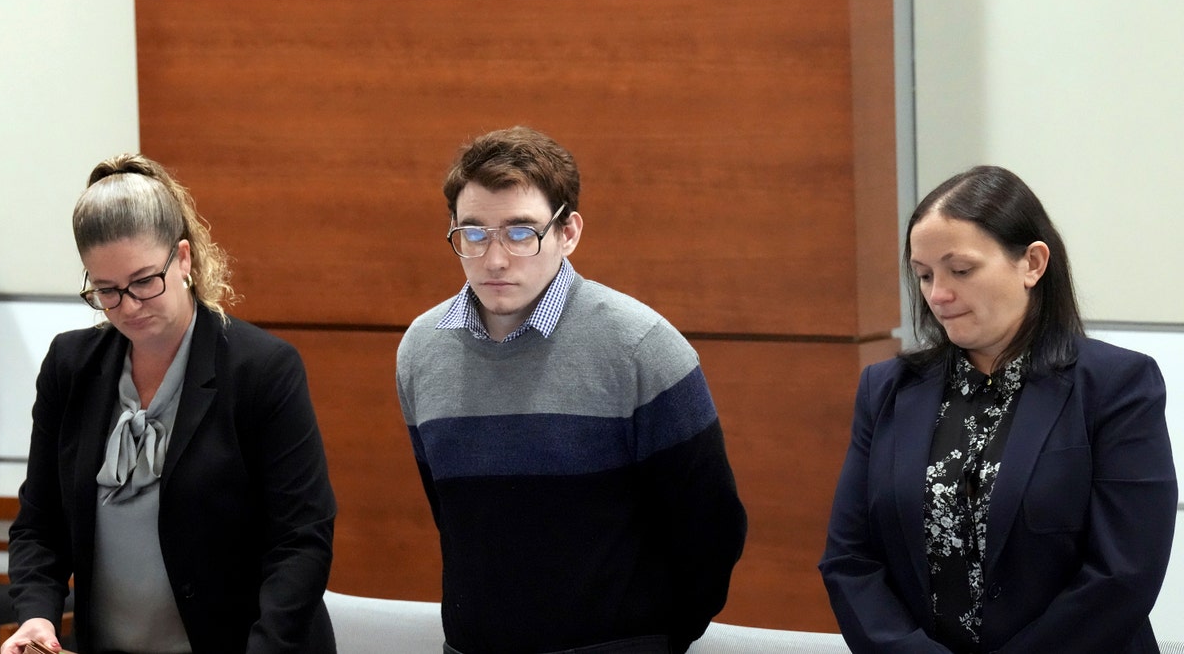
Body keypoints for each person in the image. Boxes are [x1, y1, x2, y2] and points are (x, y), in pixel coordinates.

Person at [396, 126, 747, 654]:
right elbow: (457, 521)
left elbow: (711, 529)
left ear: (568, 233)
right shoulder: (422, 350)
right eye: (474, 232)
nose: (494, 259)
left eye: (521, 232)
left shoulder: (640, 345)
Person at [819, 165, 1177, 653]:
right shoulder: (886, 390)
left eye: (960, 270)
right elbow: (849, 559)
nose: (938, 295)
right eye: (924, 275)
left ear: (1032, 263)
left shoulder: (1117, 386)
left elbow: (1124, 573)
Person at [4, 154, 338, 654]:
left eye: (144, 281)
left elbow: (302, 540)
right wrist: (35, 615)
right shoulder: (69, 366)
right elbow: (39, 523)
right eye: (107, 291)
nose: (129, 306)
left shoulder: (261, 370)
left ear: (182, 259)